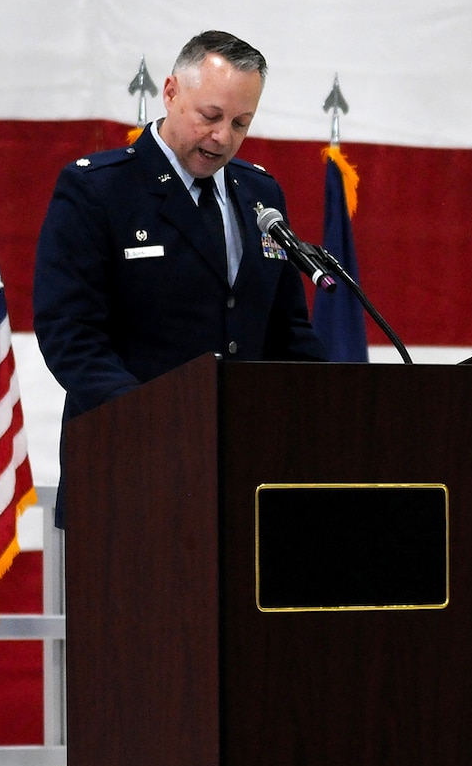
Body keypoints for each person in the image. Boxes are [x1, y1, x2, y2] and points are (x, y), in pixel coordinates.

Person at [33, 31, 324, 521]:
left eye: (240, 123)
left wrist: (337, 405)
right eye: (210, 116)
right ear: (170, 92)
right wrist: (154, 422)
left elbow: (287, 332)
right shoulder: (98, 190)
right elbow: (71, 335)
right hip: (129, 477)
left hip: (245, 484)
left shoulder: (261, 195)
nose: (223, 137)